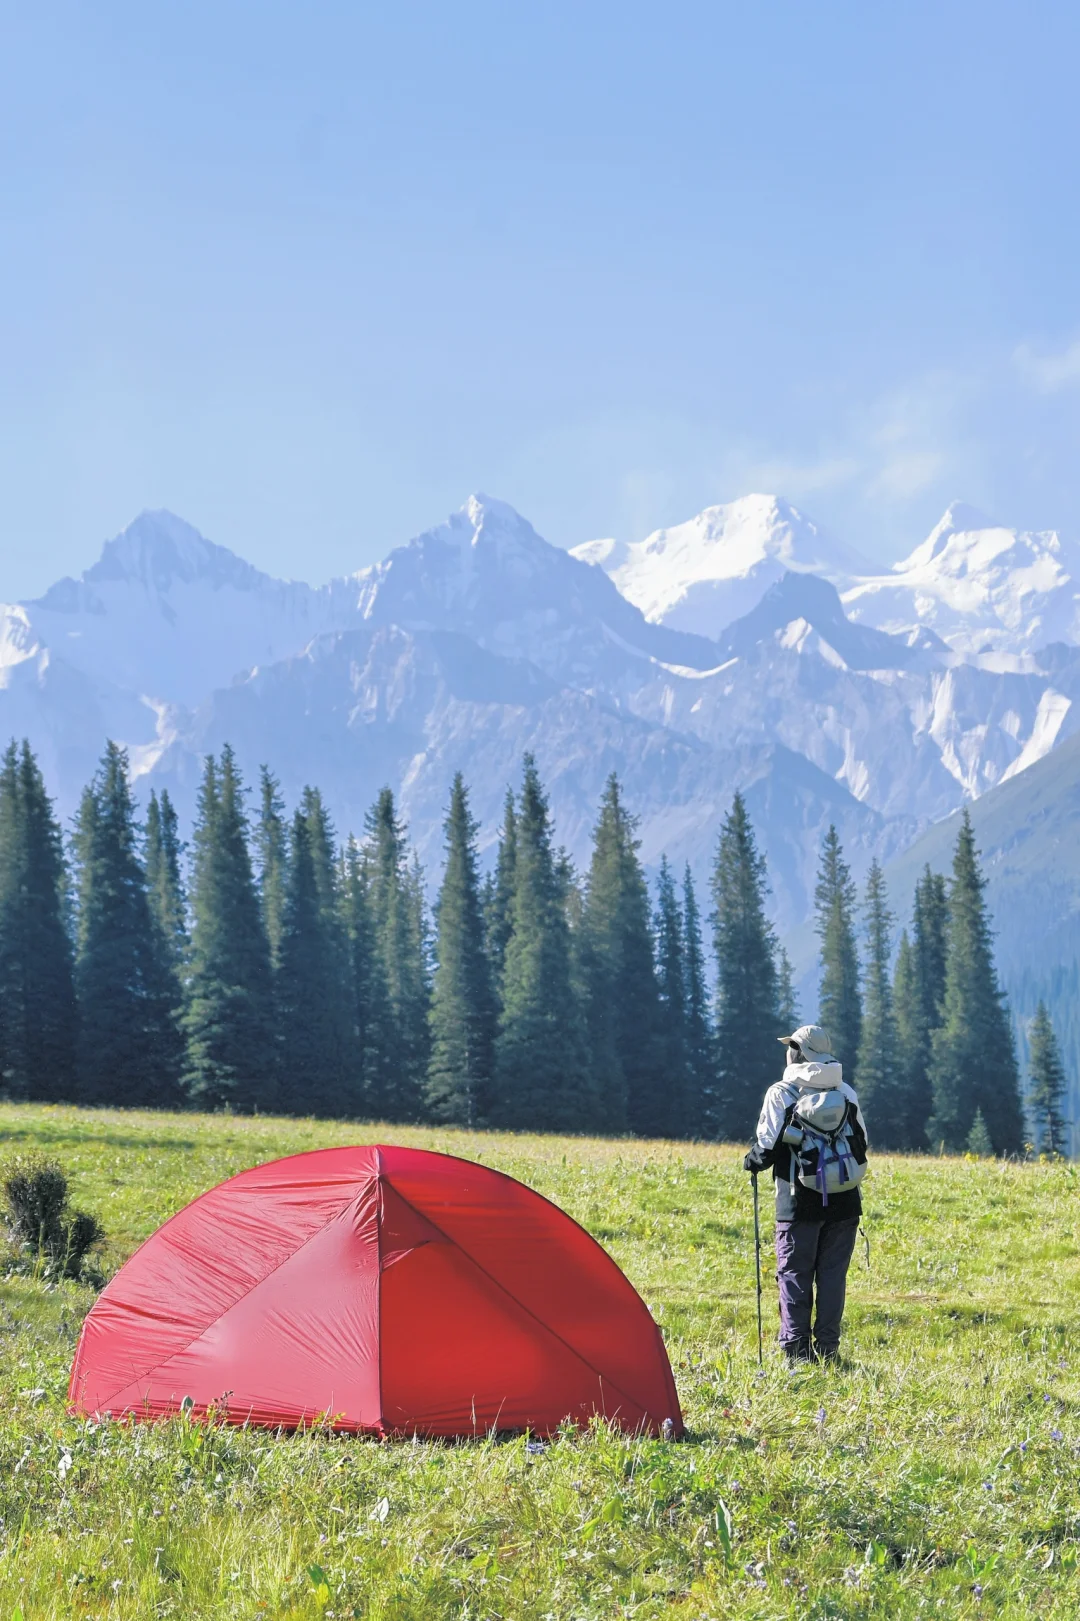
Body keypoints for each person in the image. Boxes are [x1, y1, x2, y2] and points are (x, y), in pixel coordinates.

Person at [743, 1023, 867, 1364]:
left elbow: (766, 1149)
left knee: (795, 1275)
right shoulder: (845, 1091)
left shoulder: (781, 1092)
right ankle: (828, 1350)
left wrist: (749, 1162)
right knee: (831, 1277)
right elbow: (862, 1144)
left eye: (791, 1046)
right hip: (844, 1200)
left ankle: (796, 1353)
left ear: (797, 1052)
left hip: (798, 1200)